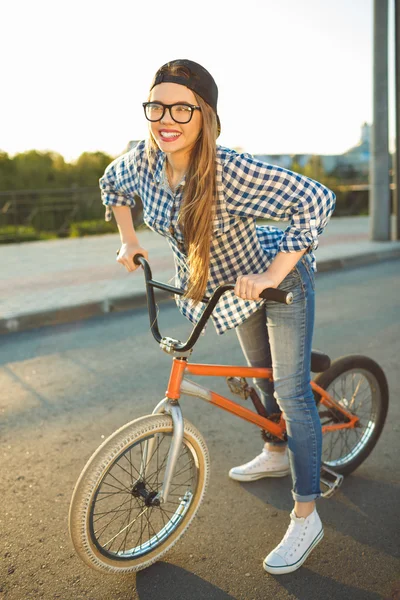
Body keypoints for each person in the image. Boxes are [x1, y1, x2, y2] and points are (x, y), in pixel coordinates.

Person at [99, 58, 336, 575]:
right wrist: (129, 238)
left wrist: (272, 275)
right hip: (226, 288)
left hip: (277, 284)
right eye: (157, 105)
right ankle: (276, 450)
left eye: (182, 107)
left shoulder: (230, 169)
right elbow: (113, 185)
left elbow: (317, 199)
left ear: (204, 115)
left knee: (290, 391)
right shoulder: (143, 161)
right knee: (265, 383)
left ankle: (307, 514)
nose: (168, 117)